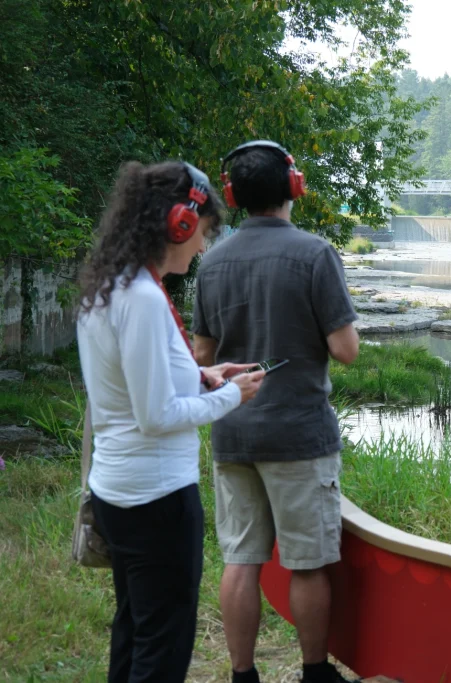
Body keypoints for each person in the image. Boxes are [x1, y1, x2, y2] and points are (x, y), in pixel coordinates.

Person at [76, 160, 265, 683]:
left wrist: (203, 376)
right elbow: (156, 415)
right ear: (178, 223)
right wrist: (230, 395)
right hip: (156, 501)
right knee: (163, 647)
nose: (203, 247)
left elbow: (138, 383)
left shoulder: (114, 286)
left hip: (121, 494)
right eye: (202, 233)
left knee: (136, 630)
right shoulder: (141, 299)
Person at [191, 140, 360, 683]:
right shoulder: (315, 253)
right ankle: (314, 673)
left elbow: (201, 357)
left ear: (234, 194)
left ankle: (243, 675)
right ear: (294, 186)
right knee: (307, 561)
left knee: (241, 559)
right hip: (299, 434)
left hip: (233, 431)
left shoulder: (211, 261)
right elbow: (346, 350)